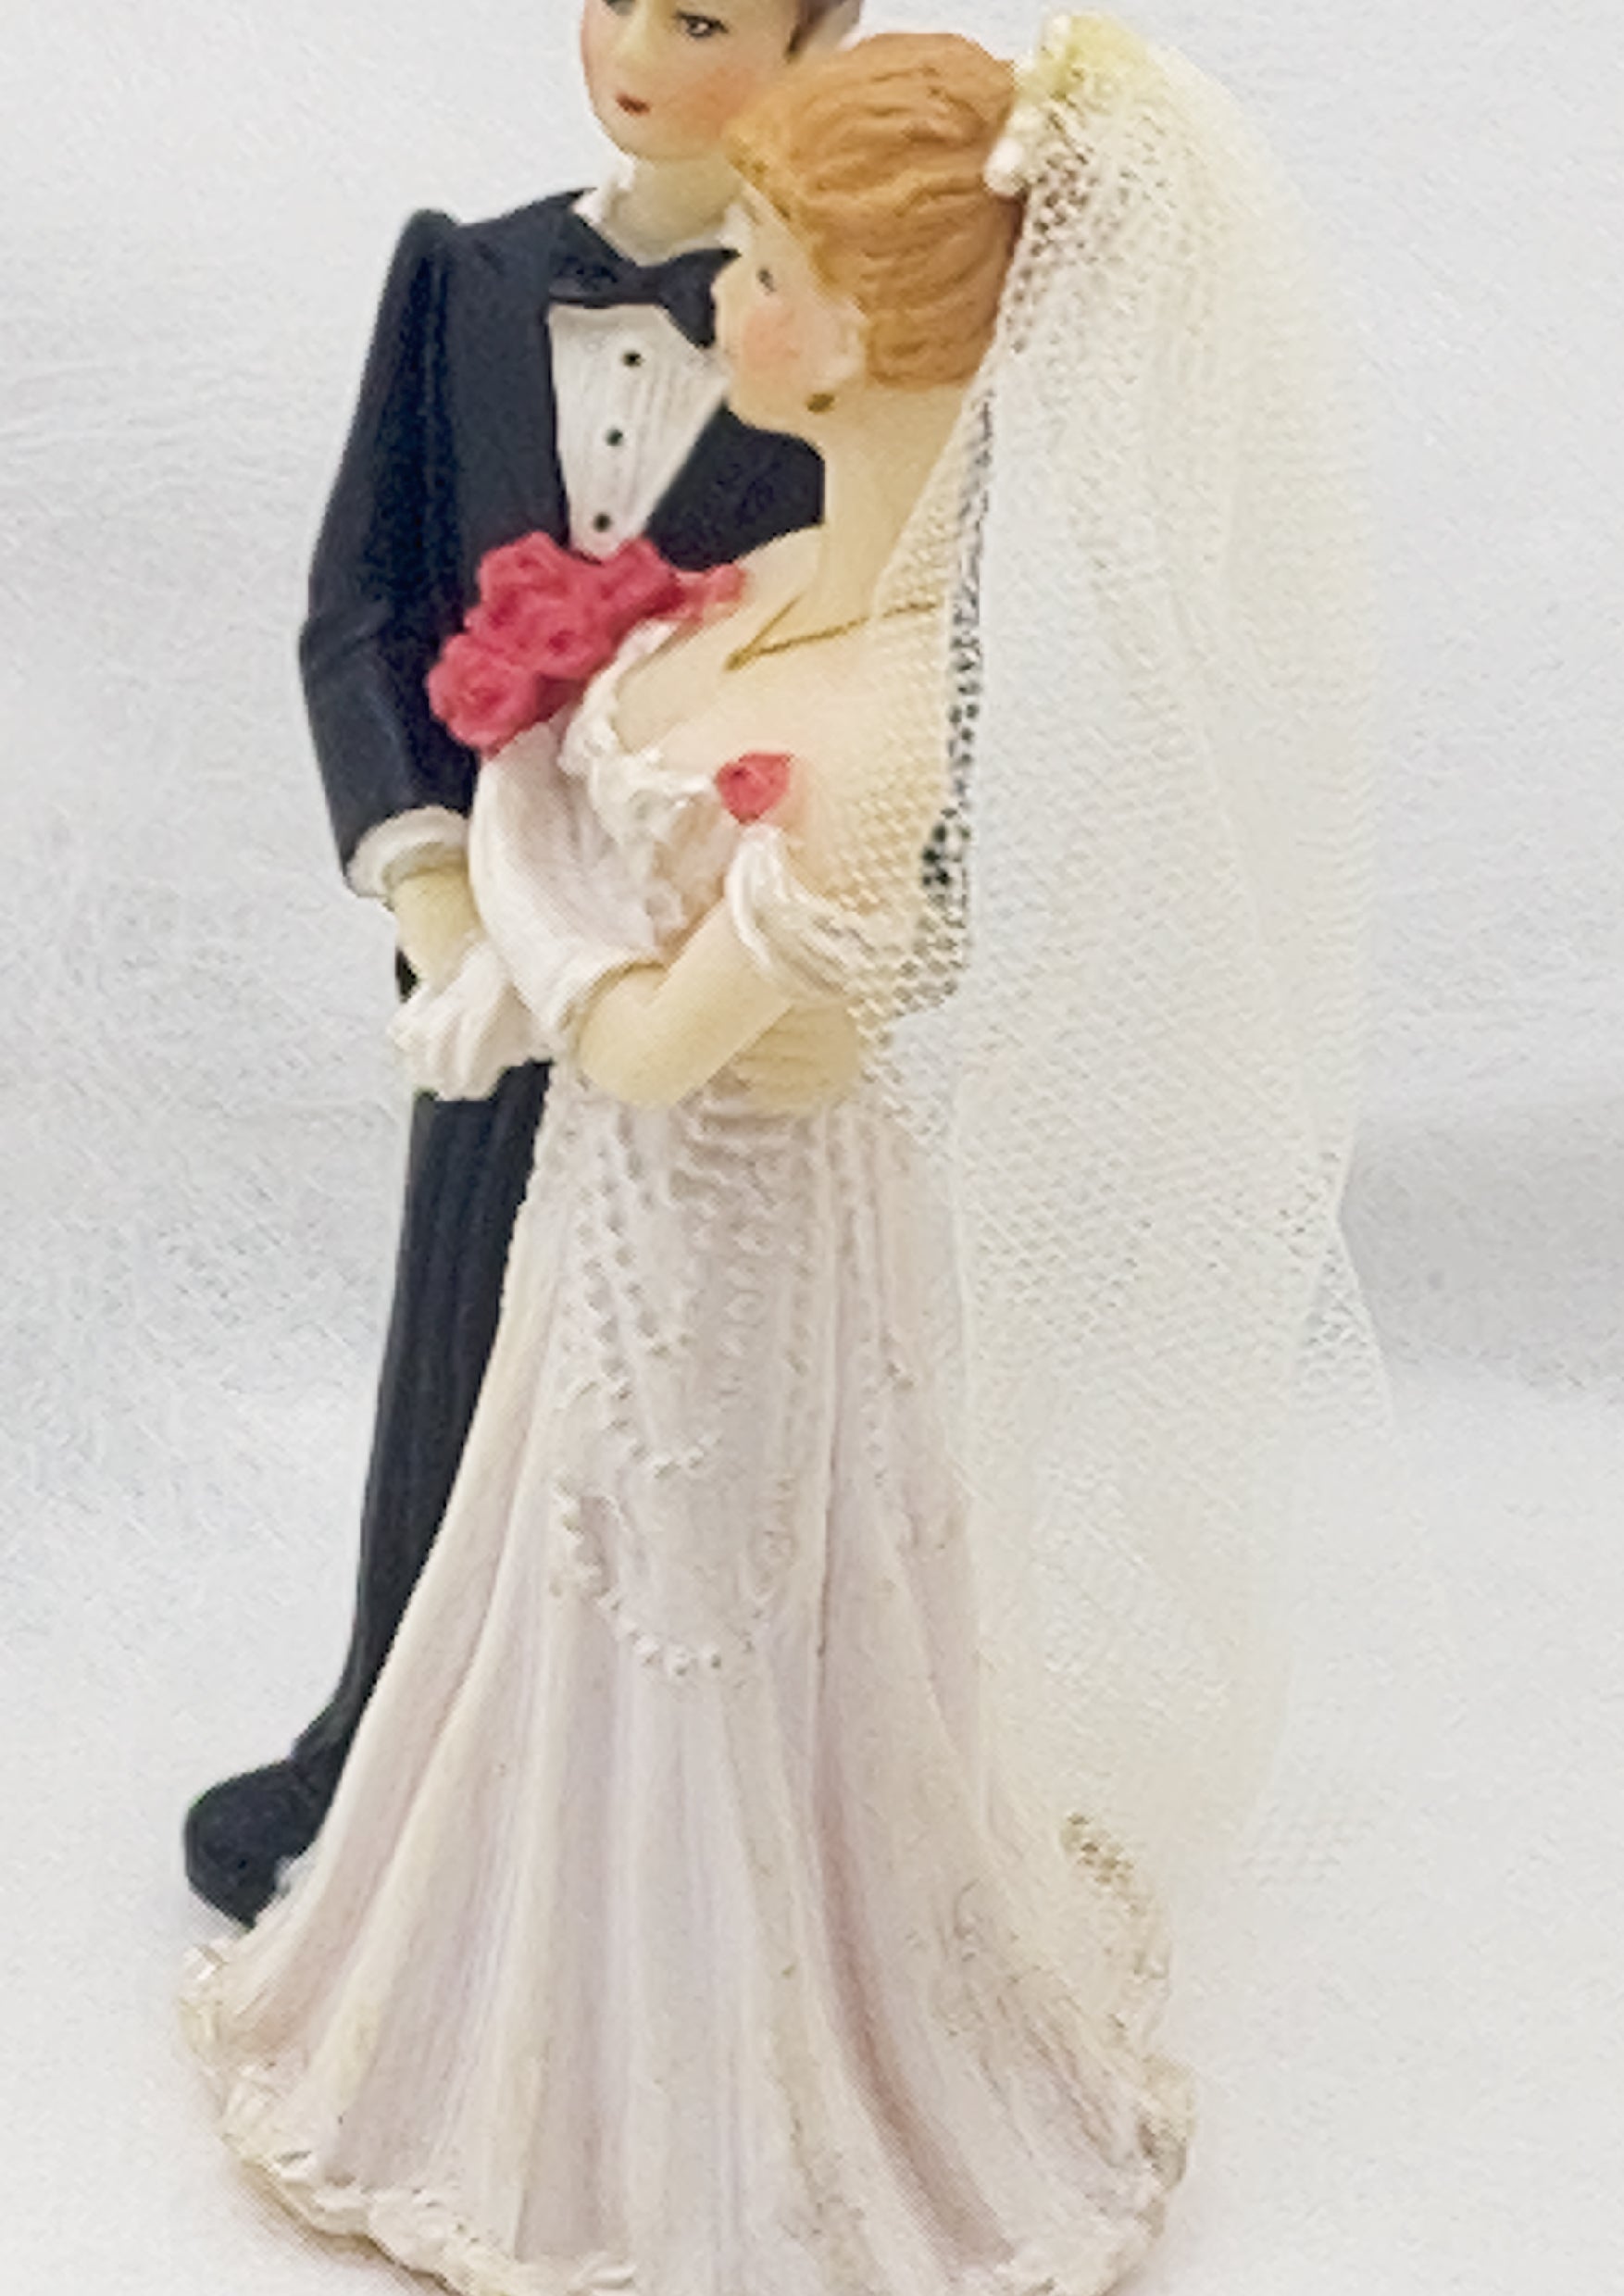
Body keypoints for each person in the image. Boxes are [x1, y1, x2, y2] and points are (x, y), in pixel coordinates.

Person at [184, 19, 1373, 2293]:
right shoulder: (713, 530)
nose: (726, 291)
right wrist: (456, 866)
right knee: (526, 1553)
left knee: (705, 1604)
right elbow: (383, 621)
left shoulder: (868, 708)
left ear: (857, 325)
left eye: (770, 264)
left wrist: (542, 929)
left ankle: (714, 2064)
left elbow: (664, 1037)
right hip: (604, 1214)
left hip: (718, 1207)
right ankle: (483, 1911)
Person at [183, 0, 864, 1928]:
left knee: (694, 1370)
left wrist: (839, 937)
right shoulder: (463, 278)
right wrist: (431, 887)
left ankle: (699, 1796)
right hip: (492, 933)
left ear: (819, 40)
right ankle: (386, 1728)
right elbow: (361, 605)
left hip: (709, 935)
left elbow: (915, 635)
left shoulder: (835, 316)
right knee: (458, 1326)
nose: (632, 44)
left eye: (704, 16)